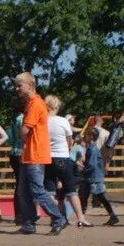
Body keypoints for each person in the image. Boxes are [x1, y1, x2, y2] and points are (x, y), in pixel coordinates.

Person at [13, 72, 66, 235]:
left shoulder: (36, 104)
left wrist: (22, 135)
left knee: (36, 190)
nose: (17, 89)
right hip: (29, 154)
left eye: (19, 85)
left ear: (30, 85)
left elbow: (24, 130)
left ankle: (58, 218)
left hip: (35, 154)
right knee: (23, 191)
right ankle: (29, 223)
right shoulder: (31, 103)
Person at [45, 95, 90, 227]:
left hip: (48, 158)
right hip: (63, 158)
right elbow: (69, 140)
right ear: (57, 106)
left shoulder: (43, 121)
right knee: (71, 190)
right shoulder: (63, 121)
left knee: (50, 191)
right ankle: (81, 218)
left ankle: (56, 218)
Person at [78, 127, 118, 225]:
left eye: (87, 135)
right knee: (85, 196)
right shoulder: (91, 147)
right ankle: (82, 218)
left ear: (91, 136)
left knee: (99, 197)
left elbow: (91, 165)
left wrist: (82, 171)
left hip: (93, 177)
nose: (84, 136)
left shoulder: (92, 149)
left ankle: (113, 216)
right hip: (92, 177)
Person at [5, 103, 24, 224]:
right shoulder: (22, 119)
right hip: (23, 153)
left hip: (14, 153)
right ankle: (23, 214)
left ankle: (18, 214)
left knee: (19, 184)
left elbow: (9, 140)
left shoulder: (13, 119)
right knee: (23, 185)